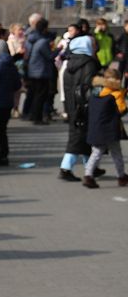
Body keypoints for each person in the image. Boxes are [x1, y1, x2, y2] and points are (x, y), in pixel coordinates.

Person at [59, 20, 101, 182]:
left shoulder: (69, 64)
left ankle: (91, 166)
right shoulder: (89, 64)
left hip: (71, 105)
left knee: (82, 136)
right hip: (84, 106)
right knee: (78, 137)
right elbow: (90, 87)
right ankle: (66, 168)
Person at [82, 67, 127, 188]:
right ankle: (121, 176)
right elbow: (121, 110)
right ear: (117, 80)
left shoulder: (97, 91)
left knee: (96, 152)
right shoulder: (116, 94)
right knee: (116, 153)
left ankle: (88, 175)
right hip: (111, 129)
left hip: (96, 127)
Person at [24, 17, 56, 125]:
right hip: (41, 72)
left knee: (35, 94)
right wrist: (59, 49)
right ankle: (37, 118)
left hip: (33, 70)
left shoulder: (32, 39)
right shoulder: (42, 41)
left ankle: (33, 115)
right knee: (41, 95)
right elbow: (50, 56)